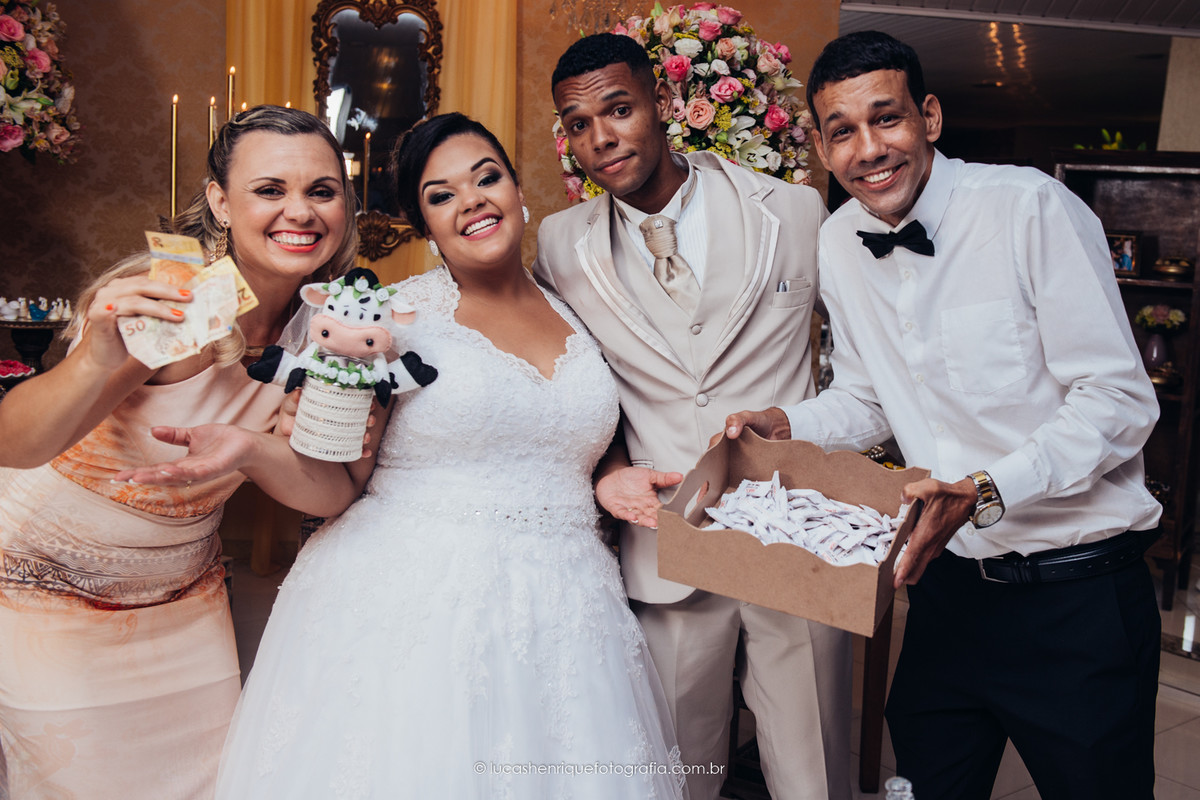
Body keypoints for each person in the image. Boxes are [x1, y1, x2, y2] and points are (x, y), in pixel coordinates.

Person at [117, 112, 689, 798]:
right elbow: (336, 481)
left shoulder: (580, 306)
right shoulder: (385, 320)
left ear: (517, 189)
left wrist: (611, 474)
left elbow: (575, 429)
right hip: (413, 605)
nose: (471, 200)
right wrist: (252, 448)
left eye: (486, 178)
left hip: (571, 606)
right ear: (424, 225)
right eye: (441, 195)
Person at [724, 31, 1162, 800]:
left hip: (1078, 600)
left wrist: (984, 491)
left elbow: (1118, 401)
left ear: (928, 116)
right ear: (822, 150)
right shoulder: (839, 241)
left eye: (886, 118)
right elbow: (868, 397)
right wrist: (787, 426)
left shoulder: (1029, 207)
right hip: (947, 594)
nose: (869, 149)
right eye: (842, 131)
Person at [0, 105, 361, 799]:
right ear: (220, 202)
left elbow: (332, 490)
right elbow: (16, 444)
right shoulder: (187, 299)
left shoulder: (329, 324)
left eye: (322, 190)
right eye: (269, 189)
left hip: (183, 597)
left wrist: (251, 450)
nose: (300, 211)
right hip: (50, 589)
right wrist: (92, 360)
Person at [536, 33, 852, 800]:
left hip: (795, 539)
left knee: (814, 778)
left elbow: (866, 370)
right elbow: (567, 393)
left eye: (619, 109)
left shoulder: (796, 212)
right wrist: (612, 470)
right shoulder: (560, 244)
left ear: (665, 102)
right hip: (666, 547)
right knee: (675, 780)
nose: (601, 136)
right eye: (578, 124)